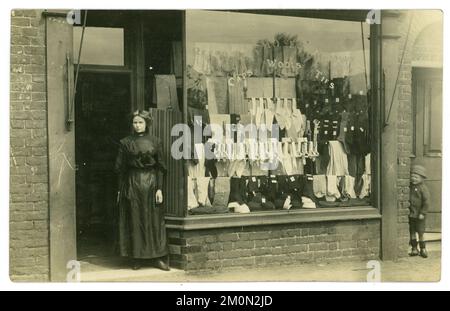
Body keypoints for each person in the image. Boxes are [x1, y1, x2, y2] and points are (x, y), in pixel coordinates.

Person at [114, 110, 170, 271]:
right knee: (135, 219)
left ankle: (157, 257)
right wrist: (121, 189)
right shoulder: (125, 142)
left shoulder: (155, 141)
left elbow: (161, 167)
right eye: (135, 122)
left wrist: (159, 189)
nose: (137, 125)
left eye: (140, 122)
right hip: (133, 183)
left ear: (146, 123)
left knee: (154, 220)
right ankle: (136, 257)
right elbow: (120, 168)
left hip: (151, 184)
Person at [408, 164, 430, 258]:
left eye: (416, 177)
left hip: (420, 215)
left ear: (422, 178)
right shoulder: (410, 187)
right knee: (412, 231)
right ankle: (414, 248)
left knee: (420, 232)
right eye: (412, 176)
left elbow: (426, 202)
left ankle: (423, 249)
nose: (413, 179)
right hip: (411, 214)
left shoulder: (423, 188)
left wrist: (422, 213)